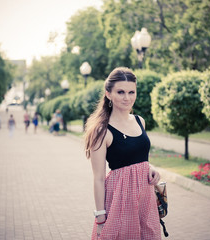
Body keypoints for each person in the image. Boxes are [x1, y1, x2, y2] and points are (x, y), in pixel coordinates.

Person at [84, 67, 161, 240]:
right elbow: (98, 178)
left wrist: (150, 167)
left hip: (145, 198)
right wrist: (101, 219)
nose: (127, 98)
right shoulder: (101, 130)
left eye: (131, 92)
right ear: (108, 94)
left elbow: (137, 155)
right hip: (120, 198)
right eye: (120, 92)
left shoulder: (140, 121)